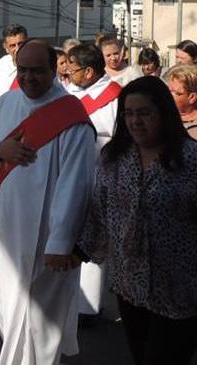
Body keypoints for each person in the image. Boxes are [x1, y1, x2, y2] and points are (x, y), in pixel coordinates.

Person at [75, 76, 197, 365]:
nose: (136, 121)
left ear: (164, 114)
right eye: (129, 114)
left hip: (184, 293)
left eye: (145, 113)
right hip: (131, 289)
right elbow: (100, 211)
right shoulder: (114, 158)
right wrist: (78, 250)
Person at [0, 39, 97, 365]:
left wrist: (61, 242)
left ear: (55, 70)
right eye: (22, 70)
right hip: (5, 226)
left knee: (39, 316)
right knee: (1, 297)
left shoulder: (72, 116)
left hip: (46, 235)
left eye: (38, 71)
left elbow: (76, 183)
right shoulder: (5, 105)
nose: (29, 78)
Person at [65, 43, 120, 322]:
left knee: (93, 240)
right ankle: (67, 298)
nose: (67, 72)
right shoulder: (70, 93)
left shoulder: (115, 98)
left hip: (99, 176)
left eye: (72, 68)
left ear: (88, 72)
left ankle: (88, 308)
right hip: (68, 174)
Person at [0, 23, 29, 103]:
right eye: (12, 46)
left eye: (20, 44)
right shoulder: (1, 64)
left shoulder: (38, 65)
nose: (17, 49)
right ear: (6, 47)